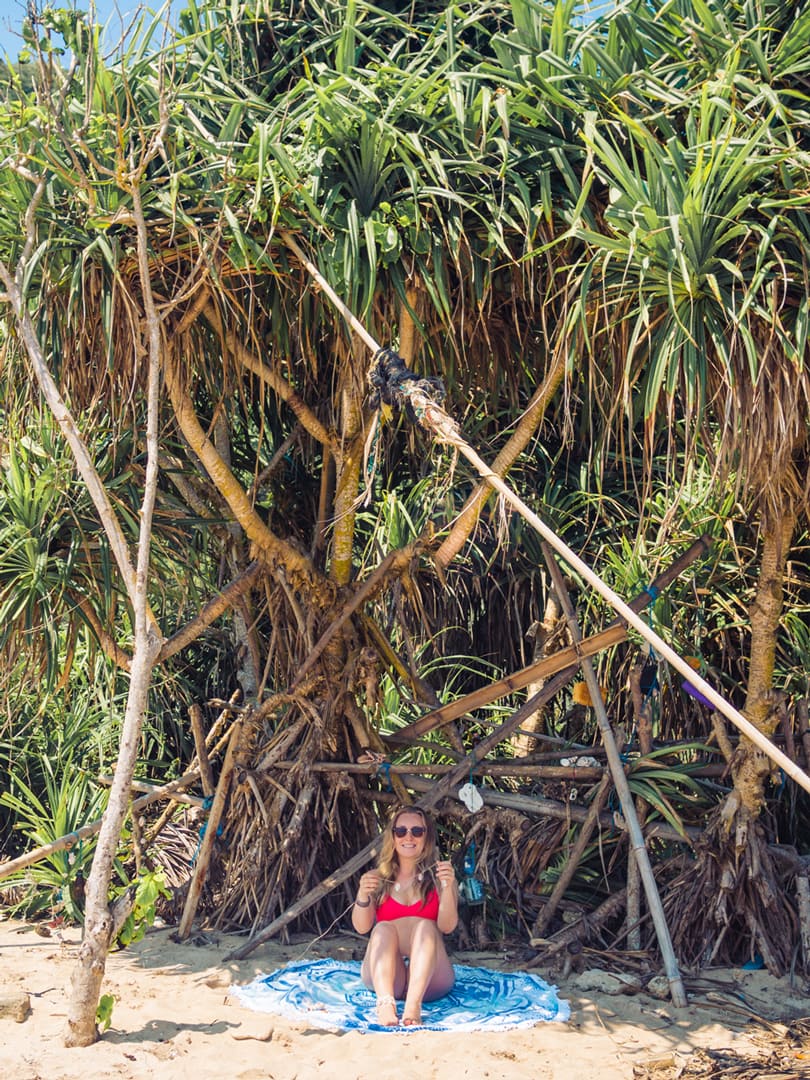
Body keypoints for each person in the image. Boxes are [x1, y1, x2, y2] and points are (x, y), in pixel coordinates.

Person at [351, 805, 458, 1026]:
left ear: (426, 837)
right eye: (401, 831)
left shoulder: (440, 877)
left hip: (430, 979)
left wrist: (447, 888)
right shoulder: (378, 878)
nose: (408, 837)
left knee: (427, 927)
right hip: (388, 977)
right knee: (382, 929)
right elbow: (362, 927)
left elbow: (447, 927)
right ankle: (385, 1004)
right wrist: (362, 893)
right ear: (393, 836)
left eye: (417, 831)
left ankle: (412, 1006)